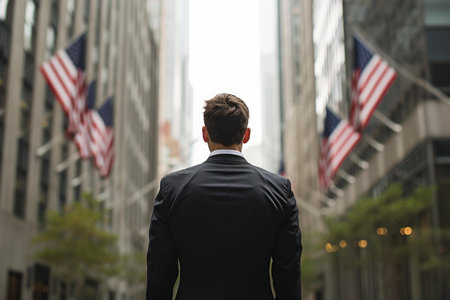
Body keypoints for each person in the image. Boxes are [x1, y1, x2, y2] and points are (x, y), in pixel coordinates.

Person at [147, 93, 302, 300]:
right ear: (246, 135)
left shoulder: (172, 189)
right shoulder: (279, 190)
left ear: (205, 134)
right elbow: (288, 276)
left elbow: (159, 274)